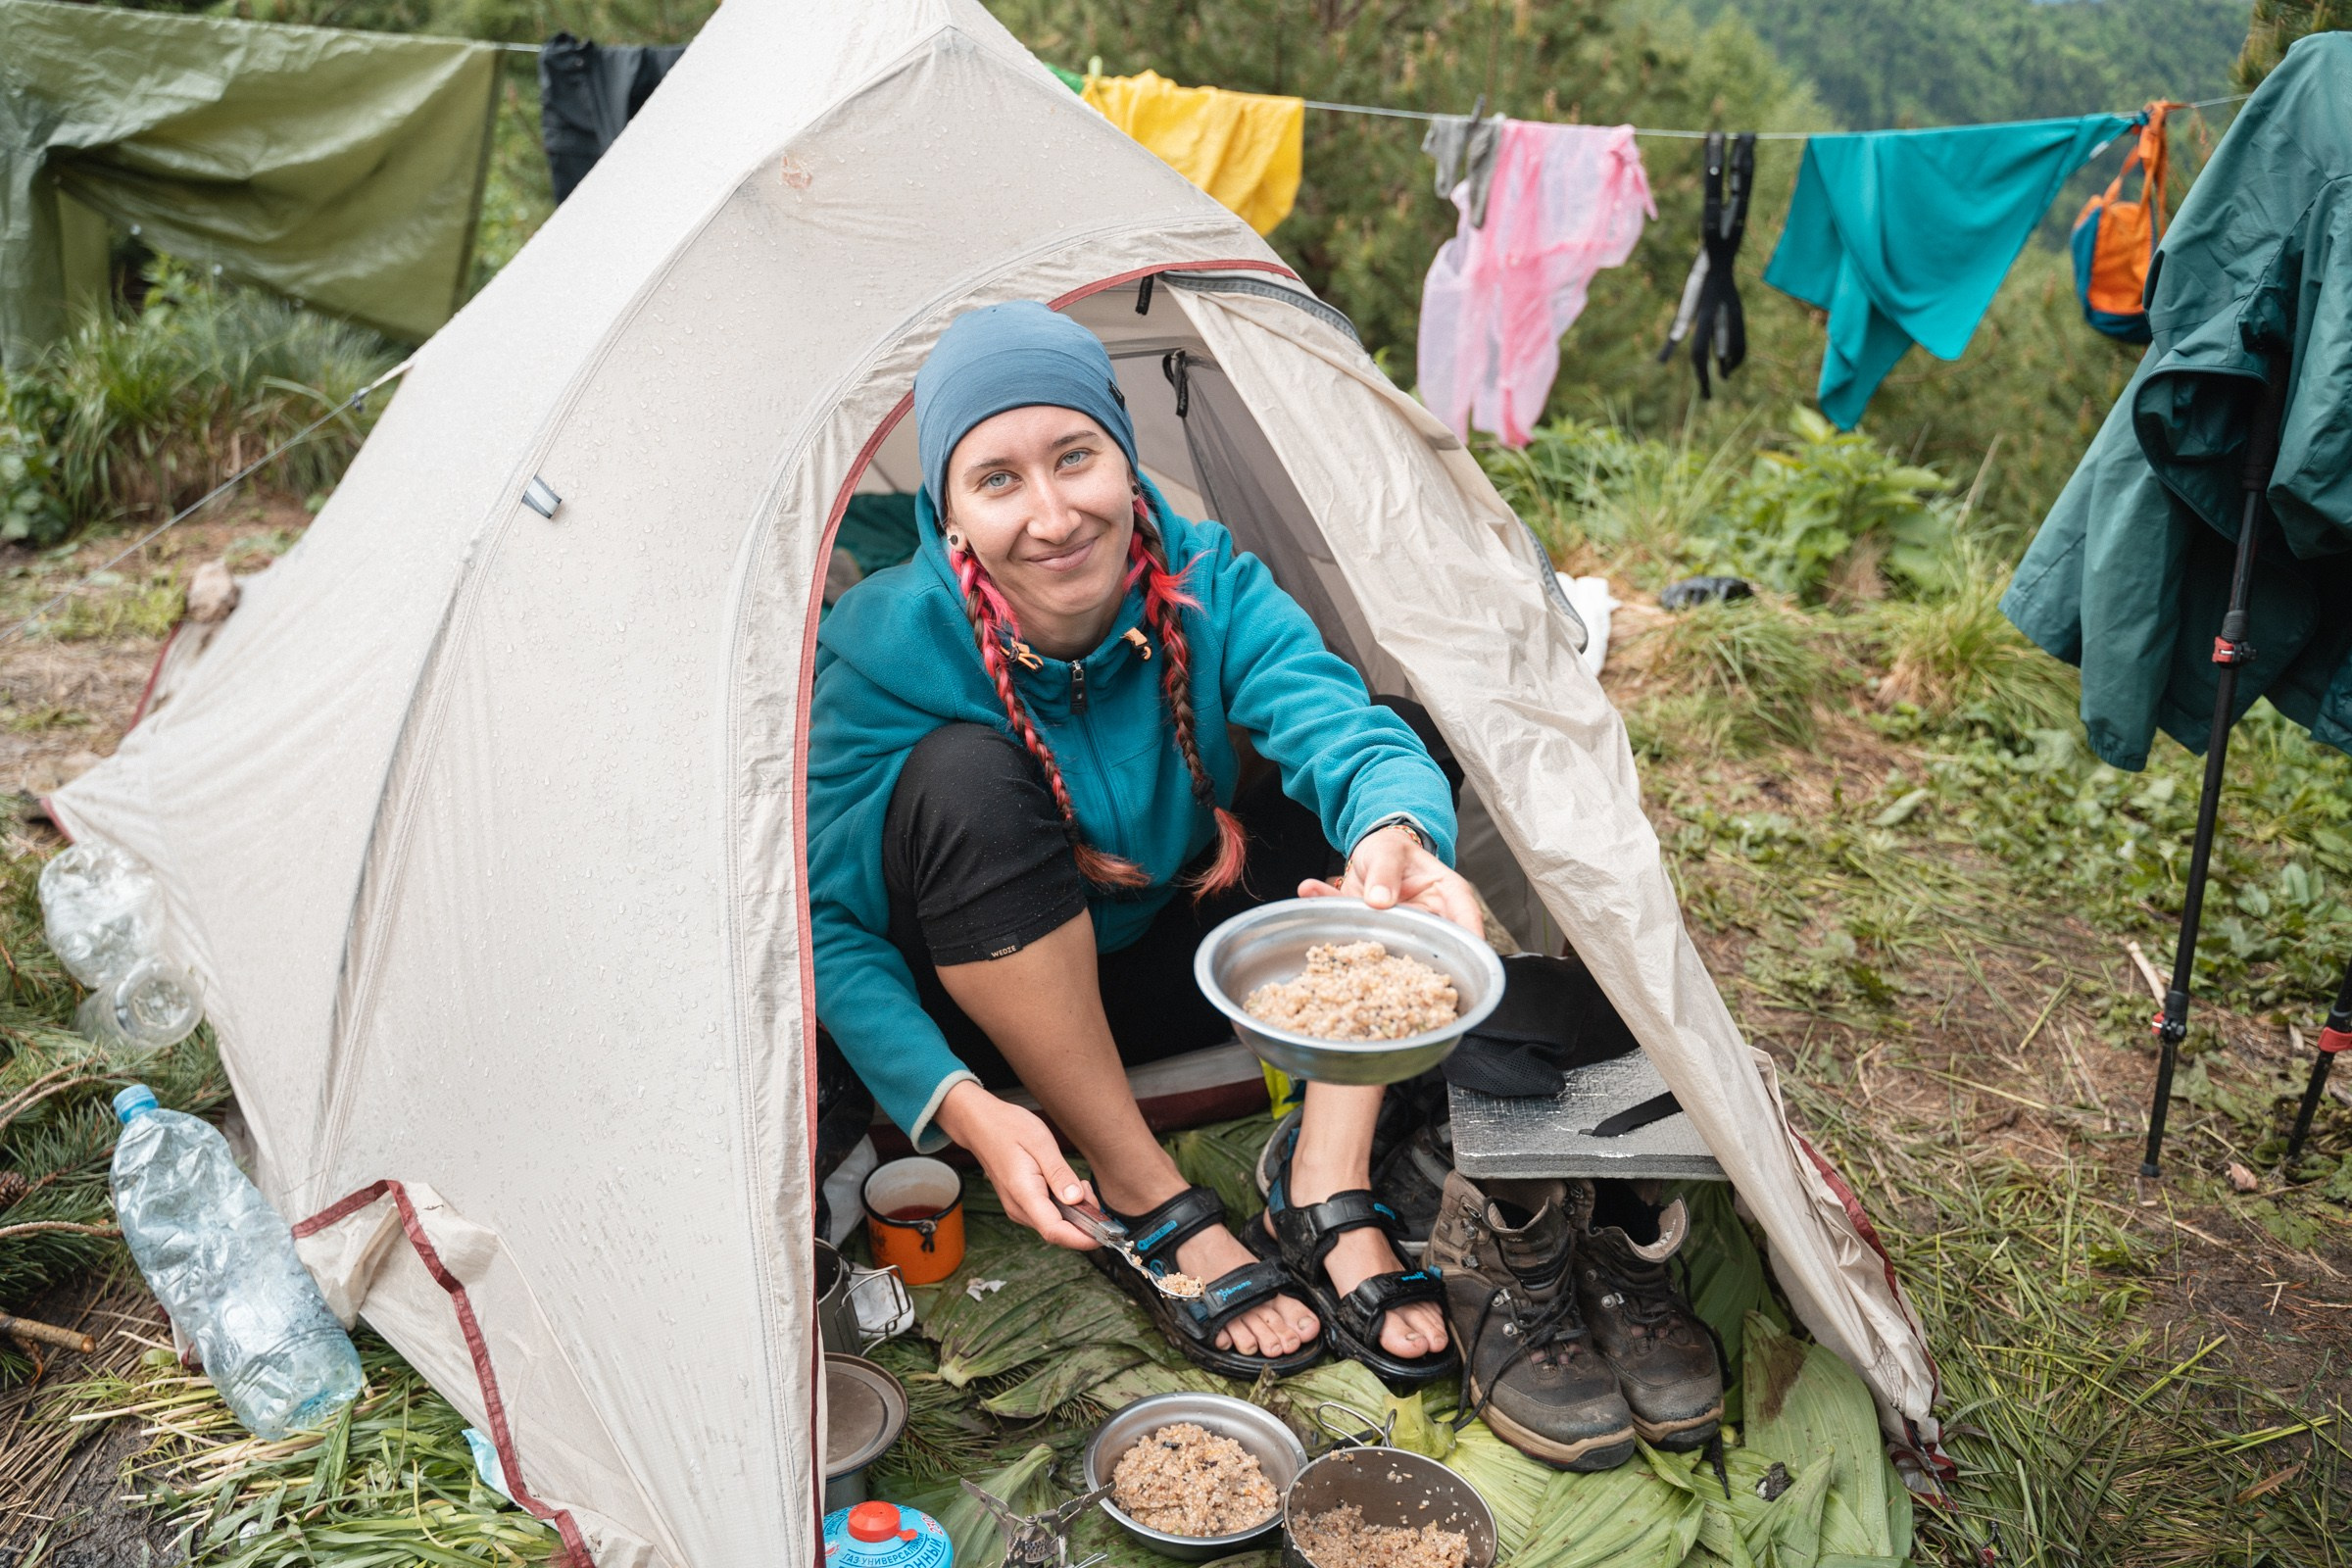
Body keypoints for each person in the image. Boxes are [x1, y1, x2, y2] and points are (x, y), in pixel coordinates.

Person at [809, 301, 1480, 1385]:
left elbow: (1341, 731)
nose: (1054, 514)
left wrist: (1399, 832)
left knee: (1397, 746)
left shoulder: (1210, 580)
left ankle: (1325, 1172)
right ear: (950, 520)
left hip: (1185, 962)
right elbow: (825, 921)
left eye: (1076, 457)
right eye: (998, 480)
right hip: (998, 1009)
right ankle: (1140, 1185)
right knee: (967, 777)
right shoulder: (885, 645)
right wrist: (957, 1104)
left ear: (1124, 460)